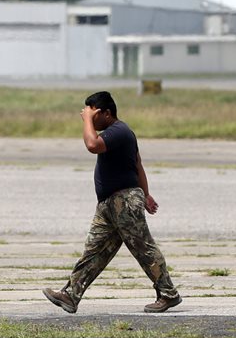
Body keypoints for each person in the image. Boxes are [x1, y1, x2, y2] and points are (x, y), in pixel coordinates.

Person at [42, 91, 182, 314]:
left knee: (143, 247)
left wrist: (87, 120)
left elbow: (92, 145)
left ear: (107, 113)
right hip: (109, 204)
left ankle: (168, 294)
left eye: (94, 113)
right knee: (94, 251)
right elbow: (138, 165)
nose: (89, 119)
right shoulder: (115, 133)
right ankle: (70, 295)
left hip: (123, 202)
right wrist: (146, 194)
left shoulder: (119, 131)